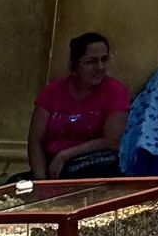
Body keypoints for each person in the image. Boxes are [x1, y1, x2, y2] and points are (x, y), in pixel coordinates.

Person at [27, 32, 129, 182]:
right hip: (53, 167)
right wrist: (42, 182)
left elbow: (112, 141)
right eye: (91, 62)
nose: (100, 67)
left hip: (93, 168)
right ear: (76, 63)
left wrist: (66, 155)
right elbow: (35, 141)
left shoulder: (115, 91)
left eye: (104, 60)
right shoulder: (52, 91)